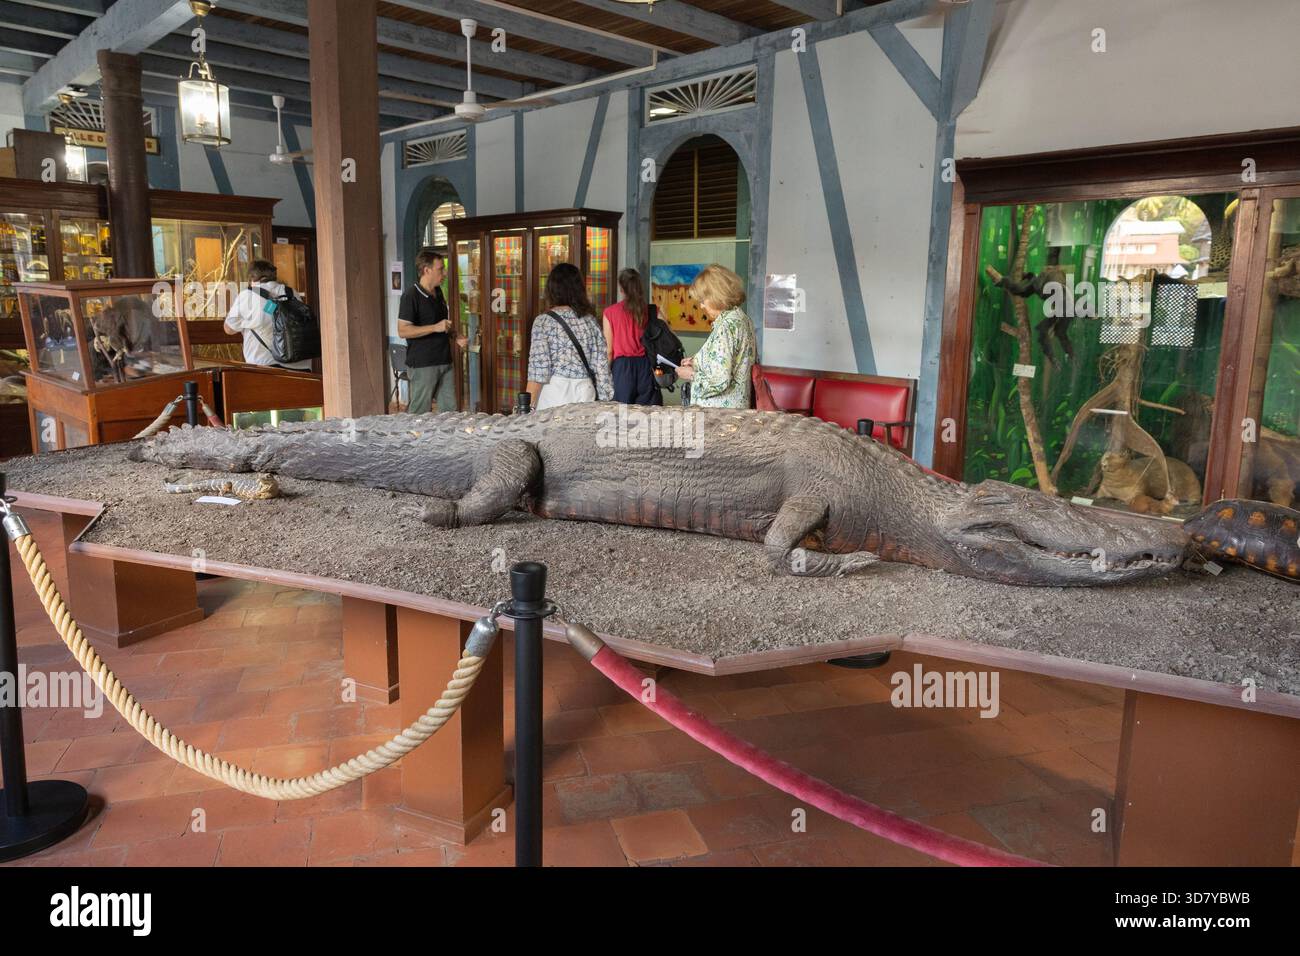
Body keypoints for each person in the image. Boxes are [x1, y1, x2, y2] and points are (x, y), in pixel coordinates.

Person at [526, 262, 613, 410]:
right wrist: (605, 403)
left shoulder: (543, 322)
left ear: (551, 289)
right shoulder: (591, 322)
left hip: (553, 397)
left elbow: (538, 371)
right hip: (585, 394)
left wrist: (525, 408)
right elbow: (602, 368)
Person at [675, 264, 756, 408]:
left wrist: (690, 375)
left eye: (702, 300)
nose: (701, 306)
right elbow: (732, 362)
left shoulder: (726, 327)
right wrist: (698, 362)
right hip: (737, 408)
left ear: (716, 296)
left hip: (718, 414)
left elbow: (720, 381)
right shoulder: (741, 319)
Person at [398, 247, 460, 414]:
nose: (445, 273)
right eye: (441, 269)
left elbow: (441, 325)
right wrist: (435, 327)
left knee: (450, 412)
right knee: (419, 414)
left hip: (444, 361)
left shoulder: (438, 293)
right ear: (427, 270)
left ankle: (448, 441)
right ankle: (415, 441)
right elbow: (403, 331)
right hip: (423, 364)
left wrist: (455, 335)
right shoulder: (410, 296)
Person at [223, 259, 312, 371]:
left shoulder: (248, 295)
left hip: (265, 366)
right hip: (300, 366)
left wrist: (246, 322)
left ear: (252, 278)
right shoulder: (291, 292)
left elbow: (229, 329)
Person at [602, 268, 662, 406]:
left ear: (621, 288)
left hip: (622, 369)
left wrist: (605, 376)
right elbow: (665, 337)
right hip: (646, 367)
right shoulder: (652, 311)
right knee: (648, 415)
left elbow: (609, 351)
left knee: (620, 416)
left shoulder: (610, 313)